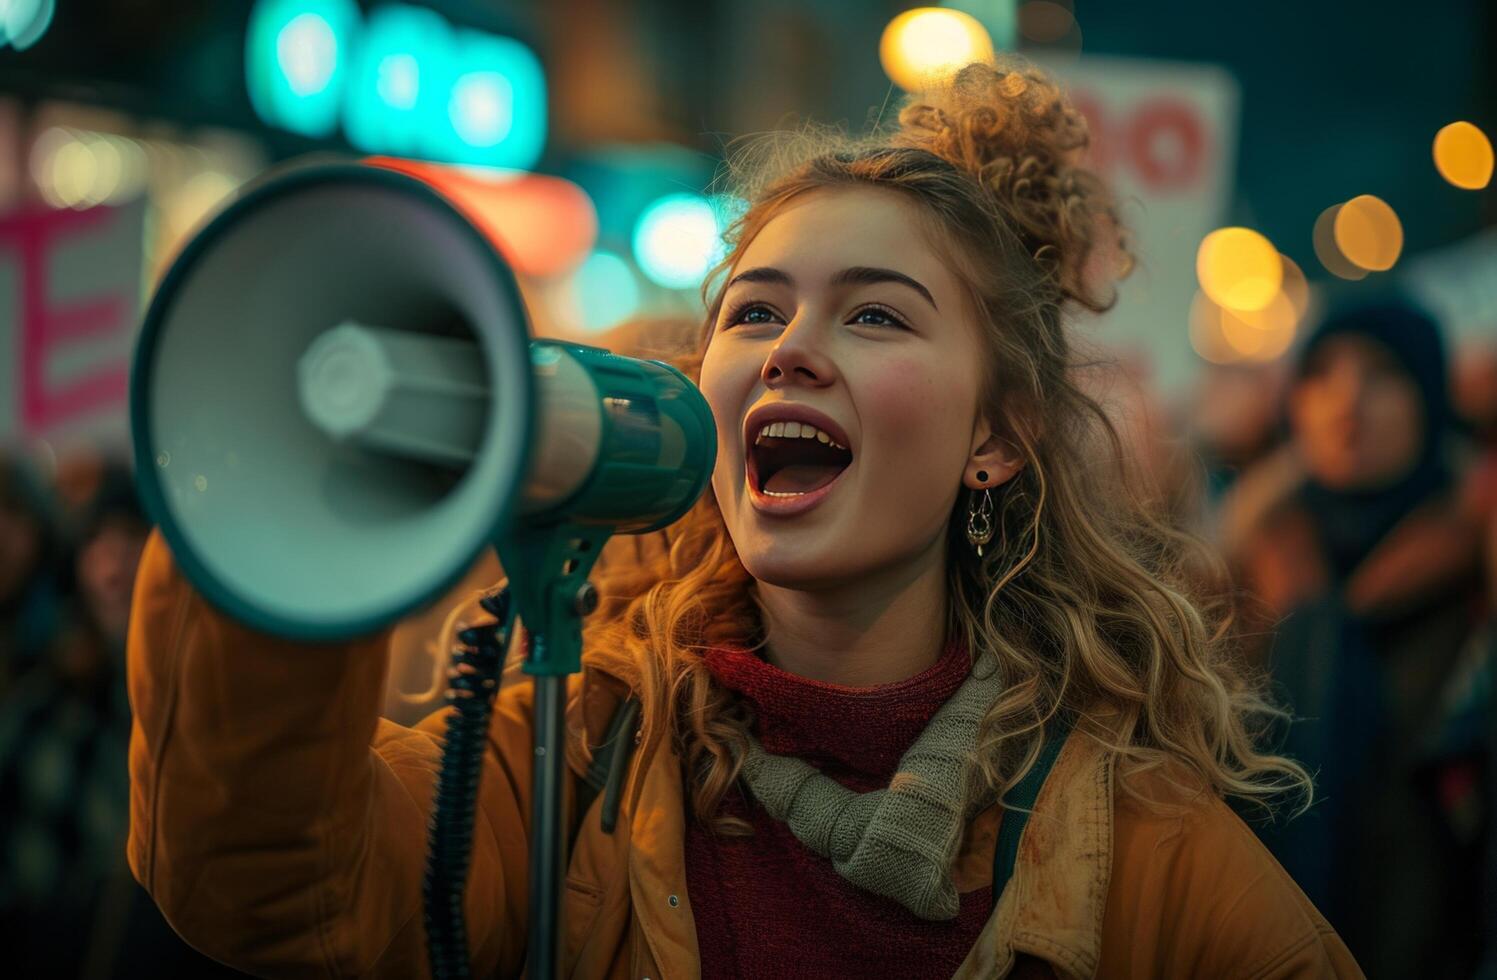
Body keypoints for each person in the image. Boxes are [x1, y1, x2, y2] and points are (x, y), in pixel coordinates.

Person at [127, 61, 1359, 978]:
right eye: (755, 314)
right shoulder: (583, 751)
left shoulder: (1143, 856)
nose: (792, 354)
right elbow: (281, 893)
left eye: (875, 316)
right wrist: (275, 550)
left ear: (1000, 434)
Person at [1223, 297, 1486, 978]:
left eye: (1381, 373)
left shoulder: (1478, 581)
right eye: (1320, 373)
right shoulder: (1237, 582)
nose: (1347, 396)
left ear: (1427, 399)